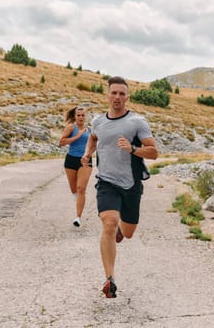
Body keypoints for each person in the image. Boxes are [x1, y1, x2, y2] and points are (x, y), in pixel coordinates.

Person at [81, 76, 158, 298]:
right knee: (108, 222)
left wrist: (133, 149)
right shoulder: (97, 121)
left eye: (122, 94)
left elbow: (153, 152)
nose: (117, 97)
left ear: (127, 97)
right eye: (114, 93)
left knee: (129, 232)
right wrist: (88, 153)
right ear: (107, 95)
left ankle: (120, 231)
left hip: (131, 184)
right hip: (106, 182)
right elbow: (94, 138)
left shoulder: (137, 122)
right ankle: (109, 279)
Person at [58, 106, 93, 227]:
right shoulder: (71, 127)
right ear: (75, 116)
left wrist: (88, 154)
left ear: (86, 116)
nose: (81, 117)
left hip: (85, 161)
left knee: (81, 189)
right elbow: (61, 142)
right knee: (74, 190)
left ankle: (78, 217)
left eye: (83, 115)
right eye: (78, 115)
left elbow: (95, 144)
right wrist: (77, 137)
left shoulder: (89, 130)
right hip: (71, 160)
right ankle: (78, 200)